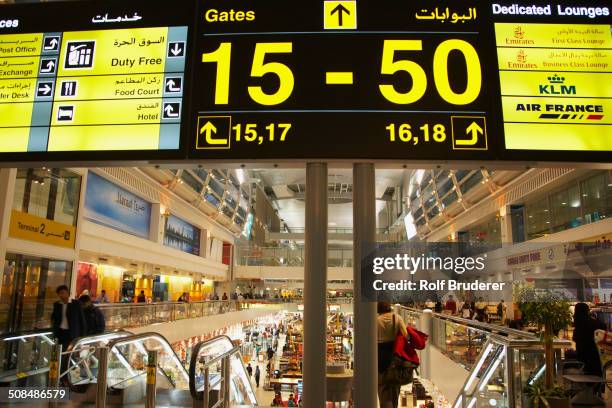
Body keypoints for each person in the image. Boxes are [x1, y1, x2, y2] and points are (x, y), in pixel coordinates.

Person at [377, 301, 408, 408]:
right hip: (395, 356)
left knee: (382, 387)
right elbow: (405, 335)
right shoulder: (397, 318)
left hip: (379, 356)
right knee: (395, 386)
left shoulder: (376, 320)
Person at [573, 302, 606, 376]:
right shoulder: (597, 323)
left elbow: (575, 338)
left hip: (584, 358)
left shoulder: (578, 324)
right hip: (597, 357)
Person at [52, 285, 87, 350]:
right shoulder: (57, 304)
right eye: (59, 293)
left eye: (62, 293)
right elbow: (54, 317)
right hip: (60, 332)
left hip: (72, 333)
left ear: (68, 293)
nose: (61, 295)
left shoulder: (76, 304)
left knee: (70, 352)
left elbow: (82, 320)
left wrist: (82, 336)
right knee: (60, 351)